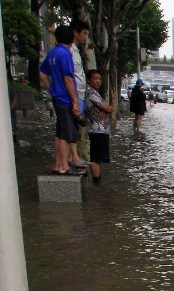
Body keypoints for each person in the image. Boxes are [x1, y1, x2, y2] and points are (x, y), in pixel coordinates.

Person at [38, 25, 82, 175]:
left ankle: (59, 164)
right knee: (65, 134)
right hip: (64, 99)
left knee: (59, 132)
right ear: (71, 38)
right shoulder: (65, 54)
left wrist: (50, 87)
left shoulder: (52, 53)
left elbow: (42, 72)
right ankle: (64, 166)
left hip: (57, 97)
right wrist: (75, 101)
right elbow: (68, 79)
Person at [84, 69, 113, 185]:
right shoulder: (91, 92)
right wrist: (106, 110)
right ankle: (97, 183)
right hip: (97, 130)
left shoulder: (94, 92)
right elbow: (108, 108)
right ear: (89, 80)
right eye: (95, 79)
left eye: (99, 79)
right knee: (95, 157)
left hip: (100, 130)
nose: (98, 81)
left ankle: (98, 183)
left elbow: (107, 109)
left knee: (98, 157)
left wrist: (106, 110)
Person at [70, 18, 91, 170]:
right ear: (75, 33)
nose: (85, 37)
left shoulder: (76, 51)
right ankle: (73, 157)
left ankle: (74, 156)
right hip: (74, 96)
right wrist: (75, 100)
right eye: (84, 33)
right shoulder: (68, 51)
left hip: (80, 95)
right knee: (69, 128)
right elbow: (67, 77)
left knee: (75, 128)